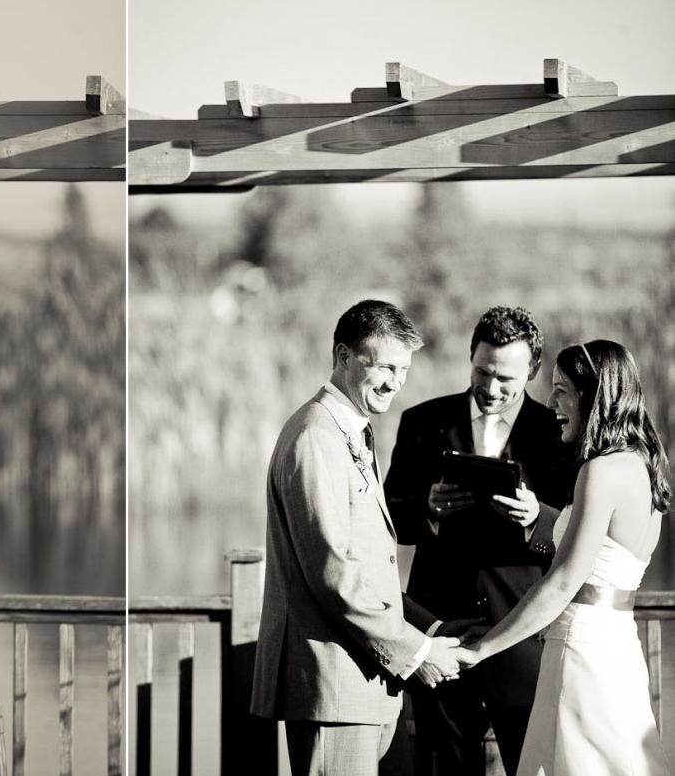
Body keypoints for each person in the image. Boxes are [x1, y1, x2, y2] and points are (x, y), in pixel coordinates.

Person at [251, 300, 463, 776]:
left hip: (365, 682)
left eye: (404, 370)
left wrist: (428, 631)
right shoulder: (315, 437)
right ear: (344, 356)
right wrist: (416, 653)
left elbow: (369, 563)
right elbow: (332, 573)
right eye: (385, 366)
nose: (395, 382)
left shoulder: (353, 430)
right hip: (332, 687)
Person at [456, 340, 671, 775]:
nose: (551, 401)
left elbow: (561, 584)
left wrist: (482, 649)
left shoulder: (601, 470)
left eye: (562, 390)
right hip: (617, 645)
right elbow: (603, 557)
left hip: (582, 651)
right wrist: (542, 517)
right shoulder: (643, 464)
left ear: (594, 395)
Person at [384, 306, 571, 776]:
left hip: (521, 632)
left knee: (532, 767)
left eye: (506, 378)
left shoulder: (557, 432)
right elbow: (388, 520)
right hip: (438, 631)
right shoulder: (421, 422)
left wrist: (539, 518)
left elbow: (580, 530)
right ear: (470, 357)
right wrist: (427, 509)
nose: (490, 388)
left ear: (532, 371)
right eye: (482, 371)